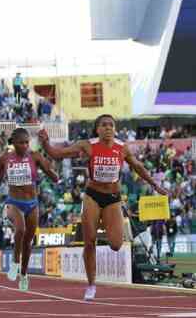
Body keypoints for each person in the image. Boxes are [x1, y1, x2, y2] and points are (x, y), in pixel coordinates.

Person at [38, 115, 168, 300]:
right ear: (97, 129)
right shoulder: (87, 145)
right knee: (89, 242)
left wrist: (155, 185)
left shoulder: (122, 147)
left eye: (111, 125)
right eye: (104, 125)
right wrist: (46, 144)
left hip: (113, 198)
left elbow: (138, 166)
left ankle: (102, 224)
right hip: (92, 196)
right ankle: (91, 284)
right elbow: (57, 154)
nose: (108, 128)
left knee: (116, 244)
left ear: (115, 129)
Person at [0, 128, 59, 290]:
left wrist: (51, 171)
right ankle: (15, 263)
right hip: (13, 202)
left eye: (27, 142)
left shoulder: (35, 156)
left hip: (32, 203)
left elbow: (53, 176)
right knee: (20, 229)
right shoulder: (6, 158)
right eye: (21, 143)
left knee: (28, 242)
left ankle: (23, 275)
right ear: (13, 144)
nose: (24, 145)